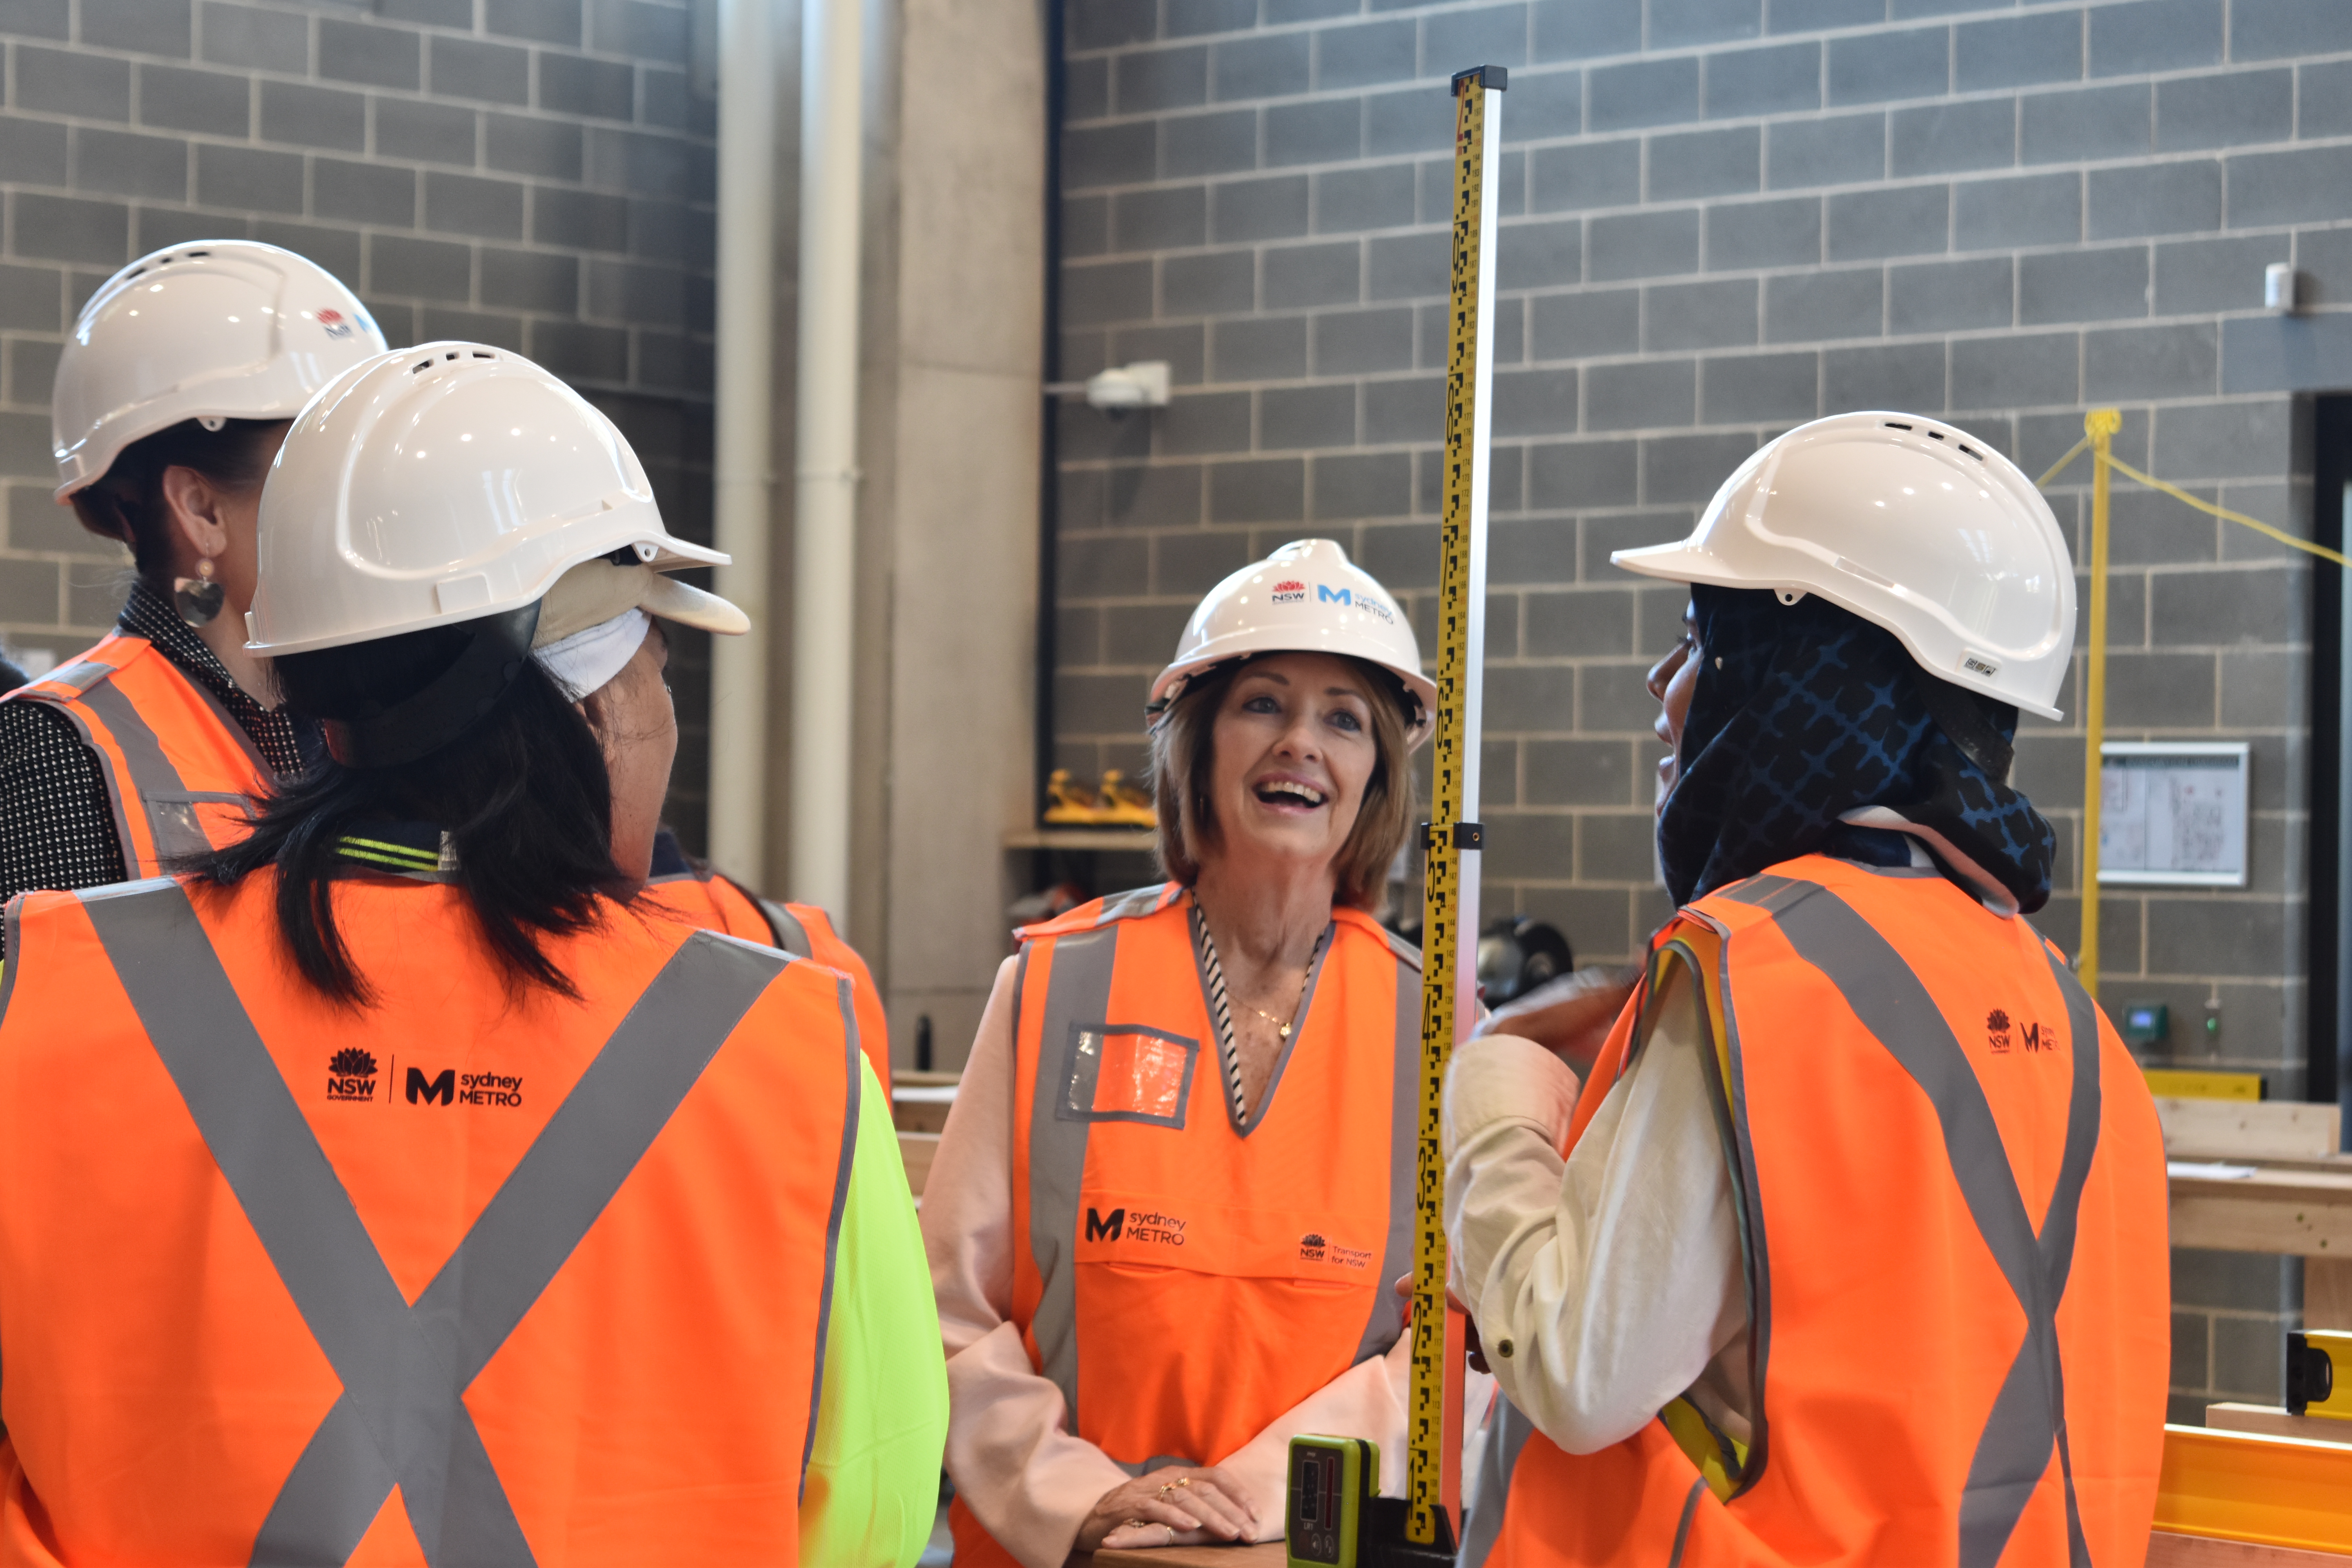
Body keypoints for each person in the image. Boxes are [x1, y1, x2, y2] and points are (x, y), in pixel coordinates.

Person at [0, 342, 946, 1563]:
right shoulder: (795, 1058)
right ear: (598, 707)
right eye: (659, 671)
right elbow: (870, 1502)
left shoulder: (54, 1000)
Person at [1444, 412, 2170, 1567]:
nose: (1660, 680)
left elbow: (1579, 1368)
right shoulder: (2073, 1026)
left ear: (1791, 684)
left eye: (1697, 643)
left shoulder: (1755, 973)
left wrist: (1493, 1091)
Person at [924, 538, 1436, 1565]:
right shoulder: (1055, 984)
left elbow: (1449, 1353)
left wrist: (1239, 1499)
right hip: (1072, 1550)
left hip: (1307, 1547)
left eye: (1343, 718)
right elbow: (945, 1312)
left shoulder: (1430, 1027)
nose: (1301, 742)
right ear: (1197, 742)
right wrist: (1092, 1501)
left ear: (1376, 769)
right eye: (1263, 704)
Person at [0, 241, 387, 916]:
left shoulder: (367, 714)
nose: (368, 501)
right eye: (325, 467)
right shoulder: (47, 756)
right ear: (202, 510)